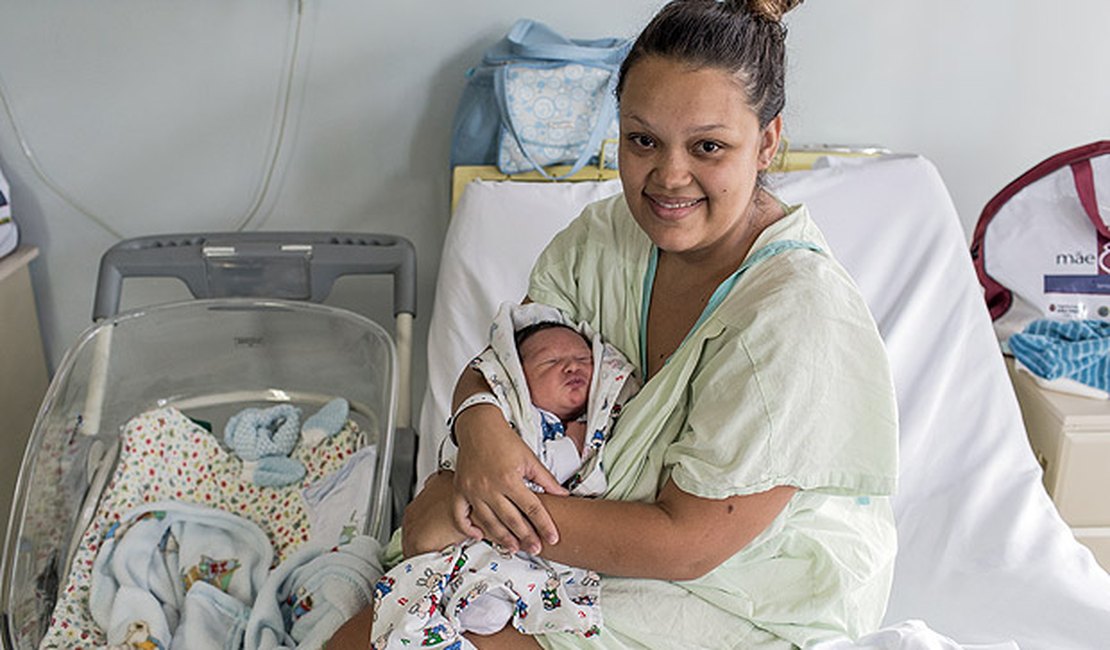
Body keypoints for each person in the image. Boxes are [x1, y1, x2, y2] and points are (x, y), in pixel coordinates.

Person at [335, 0, 898, 647]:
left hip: (739, 588)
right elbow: (507, 362)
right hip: (584, 538)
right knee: (371, 632)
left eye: (708, 146)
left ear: (768, 141)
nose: (669, 176)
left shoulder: (794, 317)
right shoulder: (605, 239)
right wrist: (479, 427)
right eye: (643, 140)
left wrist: (478, 511)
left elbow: (689, 545)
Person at [351, 307, 636, 649]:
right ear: (516, 379)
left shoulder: (601, 426)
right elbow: (522, 473)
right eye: (549, 362)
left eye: (582, 357)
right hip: (470, 536)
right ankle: (466, 600)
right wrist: (573, 447)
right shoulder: (515, 423)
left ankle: (475, 601)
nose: (571, 366)